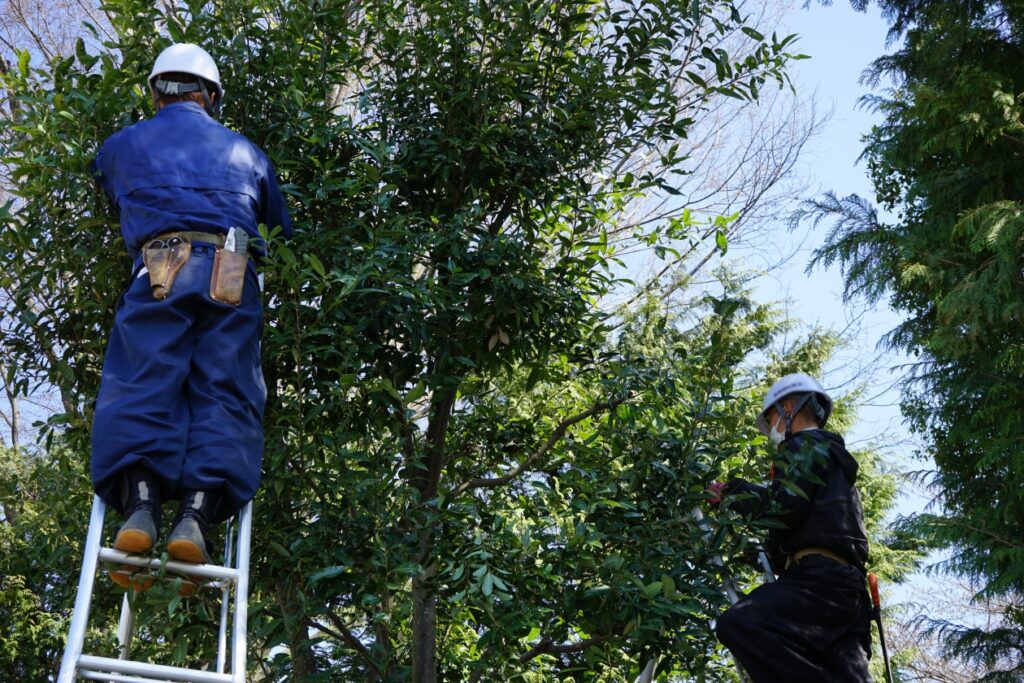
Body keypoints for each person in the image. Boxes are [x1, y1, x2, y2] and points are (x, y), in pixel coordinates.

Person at [90, 43, 292, 590]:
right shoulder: (247, 152)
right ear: (210, 96)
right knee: (226, 389)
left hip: (161, 265)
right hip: (232, 270)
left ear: (157, 92)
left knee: (143, 380)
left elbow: (108, 185)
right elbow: (277, 230)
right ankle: (196, 516)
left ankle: (141, 506)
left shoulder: (123, 144)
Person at [708, 373, 873, 682]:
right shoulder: (834, 469)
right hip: (847, 596)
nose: (772, 429)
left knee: (741, 623)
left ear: (787, 408)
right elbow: (791, 529)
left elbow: (782, 506)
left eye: (771, 418)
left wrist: (731, 493)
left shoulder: (806, 446)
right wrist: (744, 551)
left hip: (818, 584)